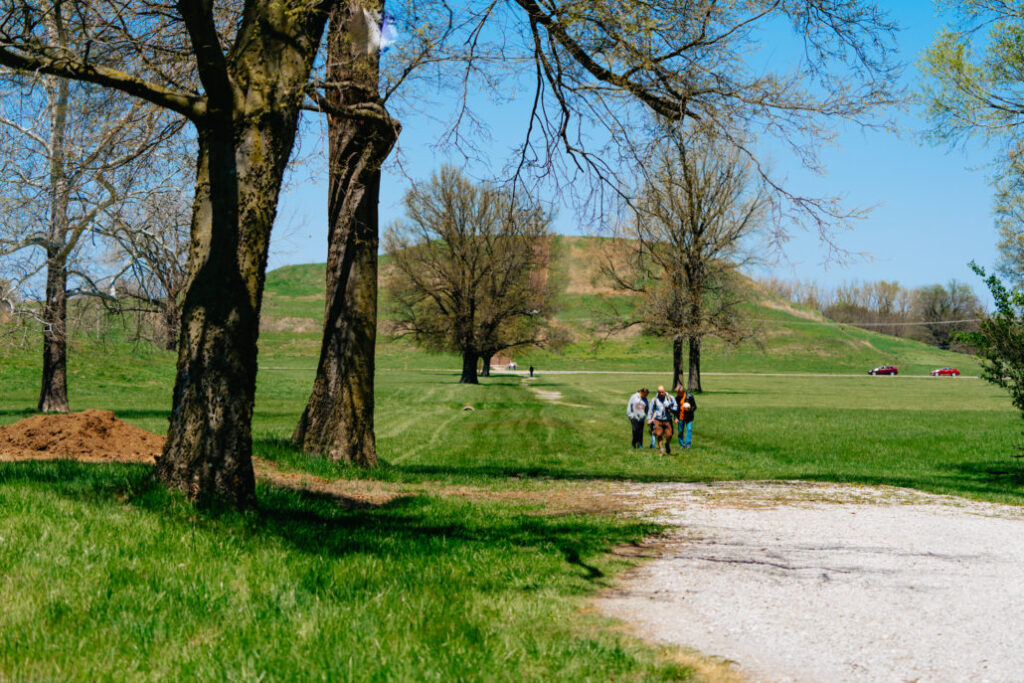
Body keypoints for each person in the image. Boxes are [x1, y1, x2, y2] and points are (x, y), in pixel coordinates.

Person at [646, 385, 677, 456]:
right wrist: (649, 419)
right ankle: (661, 450)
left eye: (662, 392)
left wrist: (671, 410)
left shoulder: (670, 398)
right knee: (658, 434)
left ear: (665, 391)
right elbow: (650, 410)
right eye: (659, 392)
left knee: (669, 435)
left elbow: (676, 408)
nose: (661, 394)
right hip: (658, 420)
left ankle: (667, 444)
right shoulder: (655, 399)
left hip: (668, 420)